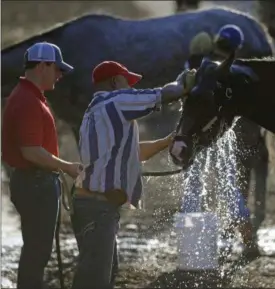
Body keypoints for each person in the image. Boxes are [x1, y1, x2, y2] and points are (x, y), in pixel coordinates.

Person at [71, 60, 196, 289]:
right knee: (95, 281)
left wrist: (167, 141)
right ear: (114, 81)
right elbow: (166, 94)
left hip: (90, 206)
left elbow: (131, 152)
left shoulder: (94, 111)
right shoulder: (116, 101)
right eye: (126, 82)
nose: (130, 88)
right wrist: (184, 82)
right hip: (98, 210)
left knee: (102, 274)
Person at [1, 42, 83, 289]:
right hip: (34, 183)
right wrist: (67, 166)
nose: (60, 75)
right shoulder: (28, 101)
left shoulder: (29, 96)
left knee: (37, 249)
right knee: (37, 251)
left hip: (33, 182)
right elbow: (31, 152)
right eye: (57, 69)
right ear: (43, 66)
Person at [184, 26, 261, 260]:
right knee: (229, 189)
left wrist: (192, 59)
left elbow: (186, 86)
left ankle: (195, 252)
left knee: (194, 189)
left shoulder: (200, 64)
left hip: (198, 136)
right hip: (220, 137)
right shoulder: (236, 68)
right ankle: (249, 244)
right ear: (237, 47)